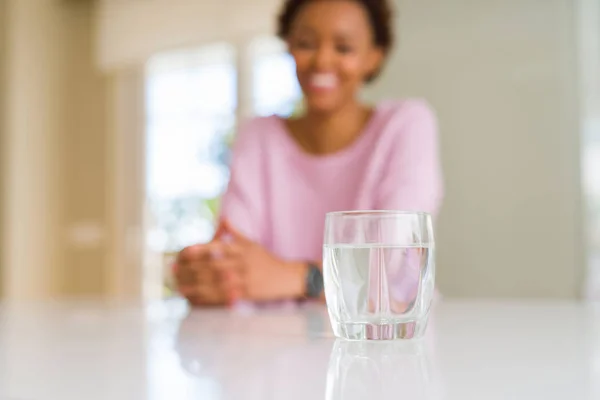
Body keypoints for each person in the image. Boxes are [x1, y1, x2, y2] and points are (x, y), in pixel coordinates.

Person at [175, 0, 443, 307]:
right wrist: (208, 274)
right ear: (288, 47)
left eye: (343, 48)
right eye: (305, 43)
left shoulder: (407, 124)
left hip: (384, 342)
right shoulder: (258, 136)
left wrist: (299, 277)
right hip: (272, 343)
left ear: (374, 57)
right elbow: (234, 260)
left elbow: (392, 264)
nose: (322, 60)